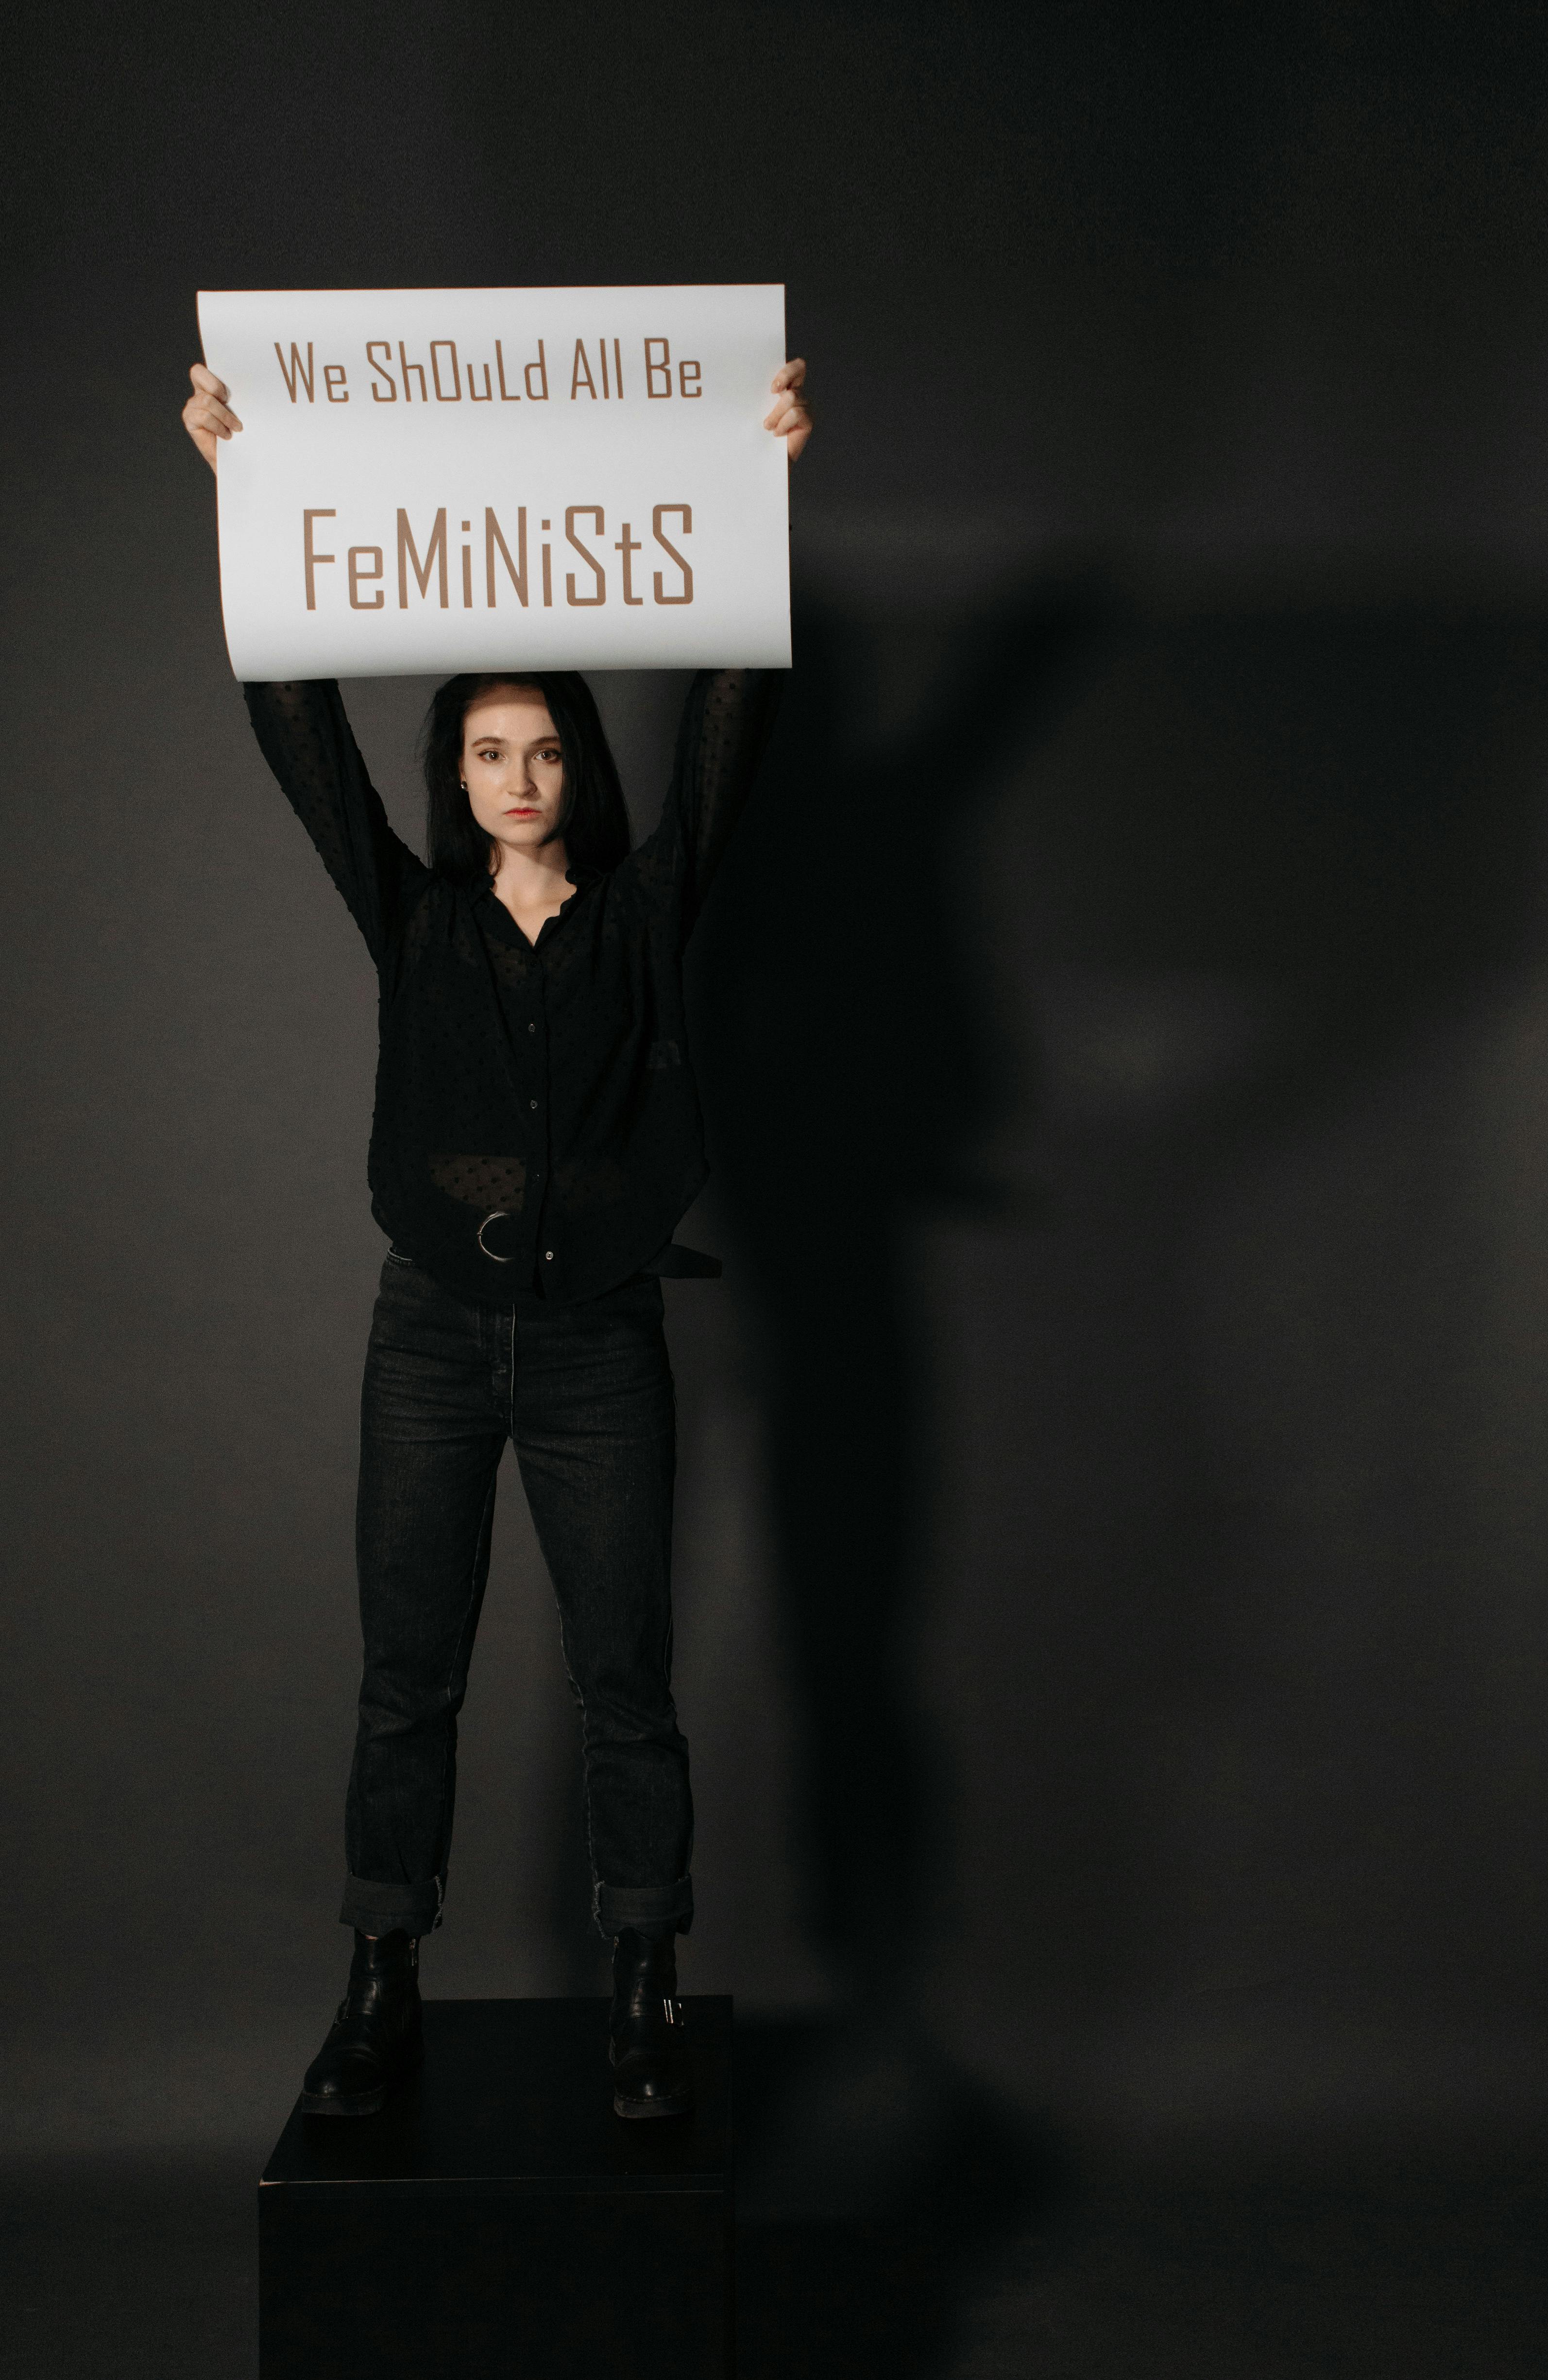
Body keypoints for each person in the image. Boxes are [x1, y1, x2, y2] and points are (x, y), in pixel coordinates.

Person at [181, 351, 811, 2120]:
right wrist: (244, 488)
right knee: (405, 1678)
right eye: (484, 751)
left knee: (629, 1678)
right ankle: (379, 1978)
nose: (517, 773)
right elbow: (299, 731)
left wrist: (761, 488)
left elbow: (734, 728)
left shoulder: (643, 916)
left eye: (541, 747)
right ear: (454, 778)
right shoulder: (420, 921)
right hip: (432, 1339)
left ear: (573, 765)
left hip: (606, 1341)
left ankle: (644, 1985)